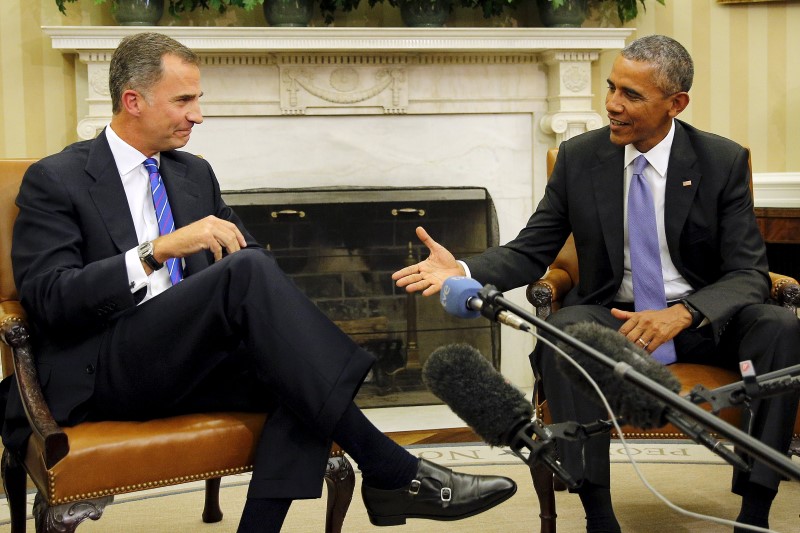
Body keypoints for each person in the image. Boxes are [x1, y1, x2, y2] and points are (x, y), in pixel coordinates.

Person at [0, 32, 517, 532]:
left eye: (197, 99)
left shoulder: (192, 175)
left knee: (299, 376)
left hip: (188, 362)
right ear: (132, 100)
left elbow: (249, 270)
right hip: (104, 368)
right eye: (183, 100)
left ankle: (327, 502)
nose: (197, 115)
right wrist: (155, 251)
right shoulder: (57, 179)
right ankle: (394, 473)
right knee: (271, 312)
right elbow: (49, 299)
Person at [393, 34, 800, 533]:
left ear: (676, 103)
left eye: (631, 94)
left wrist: (684, 313)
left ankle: (755, 508)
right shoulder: (580, 158)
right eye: (611, 88)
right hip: (614, 320)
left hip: (702, 322)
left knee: (779, 326)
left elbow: (748, 273)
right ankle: (598, 516)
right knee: (565, 333)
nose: (611, 104)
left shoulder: (720, 162)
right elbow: (530, 251)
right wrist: (465, 271)